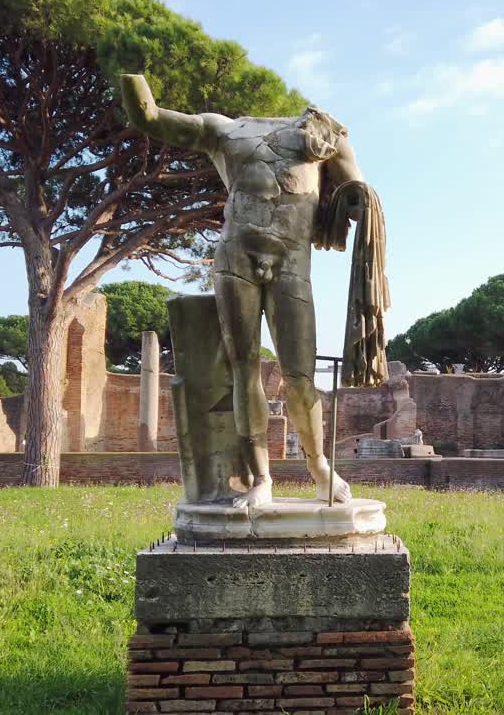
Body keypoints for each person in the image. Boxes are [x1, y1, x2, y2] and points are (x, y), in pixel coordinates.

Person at [121, 73, 363, 508]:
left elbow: (355, 190)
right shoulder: (222, 130)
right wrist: (129, 70)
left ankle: (319, 467)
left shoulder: (325, 132)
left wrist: (363, 206)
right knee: (243, 369)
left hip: (293, 264)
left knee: (300, 377)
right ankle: (261, 478)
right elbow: (150, 117)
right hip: (236, 260)